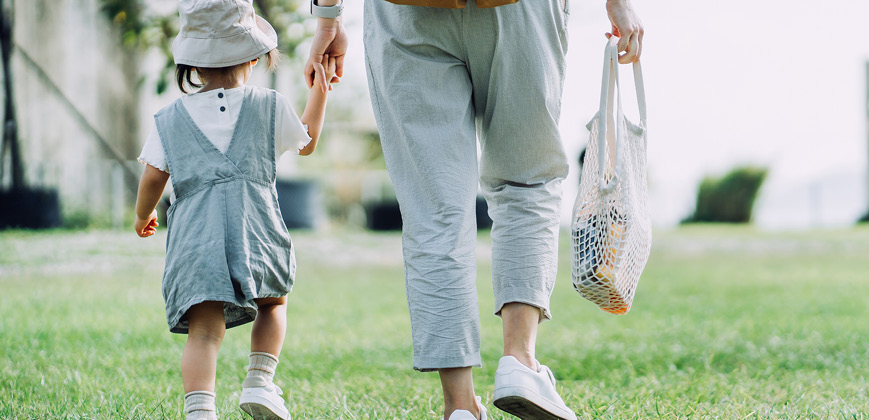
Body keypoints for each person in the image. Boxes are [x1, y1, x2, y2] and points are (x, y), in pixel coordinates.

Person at [302, 0, 643, 419]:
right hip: (521, 10)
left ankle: (459, 405)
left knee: (435, 212)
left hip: (405, 13)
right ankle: (520, 362)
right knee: (526, 180)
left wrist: (327, 17)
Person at [133, 0, 334, 418]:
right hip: (256, 228)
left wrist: (143, 215)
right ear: (257, 56)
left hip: (197, 239)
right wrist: (321, 88)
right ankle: (260, 381)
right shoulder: (270, 104)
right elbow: (308, 140)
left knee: (205, 333)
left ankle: (200, 409)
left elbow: (153, 178)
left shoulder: (170, 117)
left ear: (192, 64)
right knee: (273, 303)